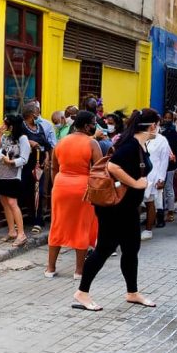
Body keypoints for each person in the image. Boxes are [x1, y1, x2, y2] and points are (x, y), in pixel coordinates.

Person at [72, 109, 159, 311]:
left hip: (127, 208)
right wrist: (137, 184)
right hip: (115, 209)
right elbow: (113, 167)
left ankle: (132, 292)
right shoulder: (129, 145)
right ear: (152, 126)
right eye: (157, 125)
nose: (158, 129)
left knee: (131, 250)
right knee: (104, 249)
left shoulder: (139, 145)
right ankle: (82, 293)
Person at [46, 112, 102, 278]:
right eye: (94, 123)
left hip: (61, 186)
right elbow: (99, 170)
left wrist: (58, 183)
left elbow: (54, 167)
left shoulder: (61, 142)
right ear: (86, 126)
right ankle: (78, 271)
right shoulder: (92, 143)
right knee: (81, 227)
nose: (95, 126)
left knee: (57, 225)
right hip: (83, 188)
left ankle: (50, 269)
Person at [0, 115, 30, 247]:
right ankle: (12, 231)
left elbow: (24, 159)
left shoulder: (22, 139)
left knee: (12, 202)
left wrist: (11, 162)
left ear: (12, 126)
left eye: (5, 123)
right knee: (4, 202)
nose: (3, 125)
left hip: (13, 175)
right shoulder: (5, 136)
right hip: (0, 173)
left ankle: (21, 234)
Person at [21, 104, 51, 233]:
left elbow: (46, 144)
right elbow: (16, 141)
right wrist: (28, 142)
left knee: (38, 191)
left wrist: (47, 157)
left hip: (39, 164)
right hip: (26, 164)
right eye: (37, 113)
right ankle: (25, 218)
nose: (39, 116)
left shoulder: (39, 127)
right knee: (24, 190)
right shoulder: (22, 127)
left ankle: (38, 220)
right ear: (31, 114)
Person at [142, 126, 171, 239]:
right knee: (137, 203)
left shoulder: (162, 140)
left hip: (153, 175)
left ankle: (149, 230)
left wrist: (161, 178)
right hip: (139, 175)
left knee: (150, 202)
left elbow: (164, 161)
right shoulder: (140, 136)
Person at [160, 111, 177, 222]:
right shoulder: (160, 130)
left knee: (168, 187)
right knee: (160, 189)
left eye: (169, 118)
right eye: (165, 117)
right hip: (160, 164)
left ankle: (171, 211)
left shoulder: (174, 132)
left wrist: (176, 164)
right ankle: (161, 210)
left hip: (170, 164)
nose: (167, 119)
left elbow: (175, 149)